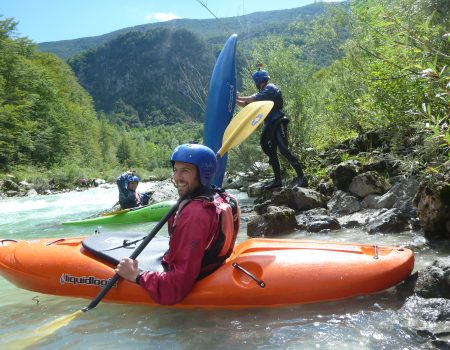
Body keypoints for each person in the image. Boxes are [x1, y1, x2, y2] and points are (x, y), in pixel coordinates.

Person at [115, 144, 240, 305]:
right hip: (212, 264)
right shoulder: (227, 198)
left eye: (185, 171)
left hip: (197, 275)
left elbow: (176, 286)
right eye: (176, 170)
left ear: (203, 174)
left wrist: (136, 275)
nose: (177, 177)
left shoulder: (195, 214)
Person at [236, 64, 308, 190]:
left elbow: (253, 99)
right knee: (269, 149)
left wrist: (238, 97)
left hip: (278, 122)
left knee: (283, 149)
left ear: (258, 81)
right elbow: (248, 105)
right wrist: (235, 100)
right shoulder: (263, 92)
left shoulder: (270, 88)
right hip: (269, 125)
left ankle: (302, 177)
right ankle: (278, 180)